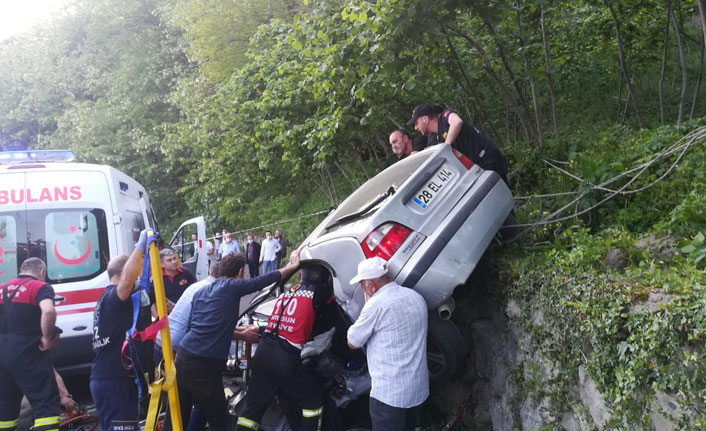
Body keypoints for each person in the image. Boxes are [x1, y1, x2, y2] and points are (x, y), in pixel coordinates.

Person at [174, 251, 302, 431]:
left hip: (182, 357)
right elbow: (264, 280)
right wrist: (293, 266)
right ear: (241, 271)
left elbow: (202, 327)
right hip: (204, 365)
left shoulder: (202, 292)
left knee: (179, 416)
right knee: (219, 420)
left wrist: (240, 332)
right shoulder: (232, 286)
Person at [235, 266, 336, 431]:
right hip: (285, 360)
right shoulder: (319, 293)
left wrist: (260, 329)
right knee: (313, 400)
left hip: (263, 353)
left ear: (301, 277)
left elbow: (283, 323)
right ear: (323, 280)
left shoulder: (288, 292)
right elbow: (331, 315)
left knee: (252, 411)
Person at [347, 257, 429, 431]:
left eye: (362, 284)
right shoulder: (416, 297)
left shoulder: (375, 306)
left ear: (371, 285)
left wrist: (367, 306)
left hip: (389, 397)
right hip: (418, 389)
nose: (362, 288)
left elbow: (352, 342)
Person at [90, 231, 150, 431]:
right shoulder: (112, 299)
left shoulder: (108, 299)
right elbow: (126, 282)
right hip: (112, 381)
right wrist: (140, 248)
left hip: (112, 379)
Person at [0, 257, 61, 431]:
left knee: (5, 407)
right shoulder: (40, 287)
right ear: (42, 272)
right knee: (45, 402)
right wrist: (47, 336)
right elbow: (48, 311)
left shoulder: (2, 288)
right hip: (28, 354)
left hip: (3, 355)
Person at [408, 104, 508, 184]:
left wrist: (445, 146)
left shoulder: (445, 116)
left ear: (425, 119)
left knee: (500, 193)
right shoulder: (432, 137)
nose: (416, 128)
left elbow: (457, 122)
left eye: (416, 123)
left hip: (487, 157)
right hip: (474, 168)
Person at [150, 248, 197, 316]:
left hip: (189, 311)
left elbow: (197, 290)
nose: (174, 261)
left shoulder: (186, 273)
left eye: (174, 258)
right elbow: (152, 301)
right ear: (162, 264)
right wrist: (157, 317)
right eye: (169, 260)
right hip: (170, 316)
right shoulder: (158, 280)